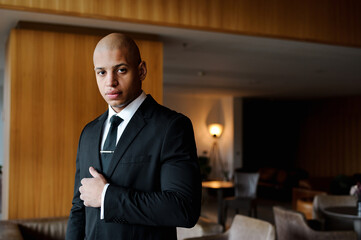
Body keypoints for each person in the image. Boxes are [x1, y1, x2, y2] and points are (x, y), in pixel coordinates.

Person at [66, 33, 201, 240]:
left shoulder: (172, 127)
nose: (110, 82)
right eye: (101, 72)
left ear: (141, 71)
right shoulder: (89, 132)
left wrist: (107, 196)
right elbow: (79, 205)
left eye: (120, 70)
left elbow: (183, 208)